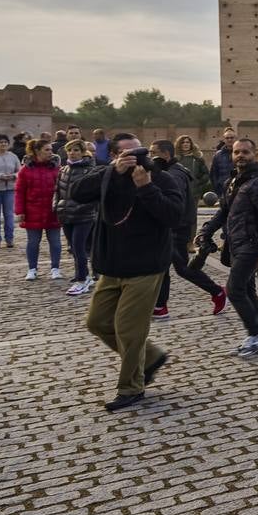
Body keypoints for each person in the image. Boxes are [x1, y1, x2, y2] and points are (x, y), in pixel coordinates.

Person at [69, 133, 184, 411]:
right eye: (129, 154)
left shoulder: (161, 178)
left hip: (146, 266)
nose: (138, 158)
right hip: (112, 265)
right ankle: (152, 357)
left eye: (141, 151)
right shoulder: (107, 175)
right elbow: (77, 193)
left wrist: (146, 188)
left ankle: (131, 387)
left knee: (129, 330)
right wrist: (113, 172)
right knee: (96, 322)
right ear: (114, 155)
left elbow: (174, 216)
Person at [198, 138, 258, 355]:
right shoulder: (234, 181)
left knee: (234, 290)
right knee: (248, 289)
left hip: (252, 245)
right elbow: (224, 211)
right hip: (236, 242)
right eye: (236, 152)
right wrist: (206, 230)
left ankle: (255, 334)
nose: (240, 155)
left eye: (245, 152)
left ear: (254, 154)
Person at [150, 140, 228, 319]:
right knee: (171, 266)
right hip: (175, 227)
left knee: (176, 267)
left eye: (153, 152)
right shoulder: (171, 170)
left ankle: (216, 291)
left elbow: (172, 203)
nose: (150, 155)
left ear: (165, 154)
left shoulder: (173, 174)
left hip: (176, 228)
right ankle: (160, 306)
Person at [54, 140, 99, 295]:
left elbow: (94, 194)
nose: (72, 153)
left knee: (79, 246)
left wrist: (84, 207)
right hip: (65, 214)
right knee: (73, 248)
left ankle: (83, 278)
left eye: (76, 150)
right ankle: (80, 274)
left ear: (82, 152)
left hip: (84, 214)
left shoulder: (90, 170)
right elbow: (57, 191)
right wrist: (56, 206)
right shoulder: (63, 169)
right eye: (70, 150)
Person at [15, 139, 62, 281]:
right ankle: (32, 269)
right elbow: (19, 191)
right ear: (37, 151)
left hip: (52, 211)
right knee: (33, 242)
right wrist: (20, 211)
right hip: (32, 211)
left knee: (55, 241)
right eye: (47, 150)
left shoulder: (57, 168)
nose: (50, 152)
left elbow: (62, 189)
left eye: (51, 149)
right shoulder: (25, 170)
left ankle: (55, 268)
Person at [175, 134, 210, 251]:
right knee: (177, 216)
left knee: (191, 218)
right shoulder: (175, 159)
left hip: (193, 192)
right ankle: (177, 241)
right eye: (183, 142)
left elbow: (205, 174)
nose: (185, 144)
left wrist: (198, 183)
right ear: (179, 145)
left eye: (187, 142)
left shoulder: (197, 159)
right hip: (178, 192)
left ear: (191, 144)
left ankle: (190, 242)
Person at [209, 127, 237, 199]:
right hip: (222, 190)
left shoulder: (241, 153)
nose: (230, 140)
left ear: (235, 138)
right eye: (227, 138)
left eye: (232, 138)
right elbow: (213, 173)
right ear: (224, 139)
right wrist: (216, 187)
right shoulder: (218, 155)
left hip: (238, 189)